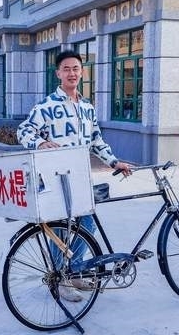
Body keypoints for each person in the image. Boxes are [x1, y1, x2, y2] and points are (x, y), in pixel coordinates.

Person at [17, 50, 132, 302]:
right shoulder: (46, 106)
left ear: (82, 72)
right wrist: (39, 143)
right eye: (66, 69)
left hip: (80, 176)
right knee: (60, 230)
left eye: (76, 68)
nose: (72, 73)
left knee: (86, 225)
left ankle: (75, 270)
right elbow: (24, 130)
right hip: (54, 179)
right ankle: (59, 279)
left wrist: (114, 161)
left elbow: (96, 141)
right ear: (58, 73)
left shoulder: (87, 107)